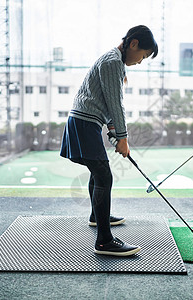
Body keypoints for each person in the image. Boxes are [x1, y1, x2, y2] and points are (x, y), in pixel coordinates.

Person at [60, 25, 158, 255]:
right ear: (133, 43)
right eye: (142, 56)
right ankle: (104, 241)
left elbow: (106, 105)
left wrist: (115, 134)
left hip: (85, 122)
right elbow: (116, 104)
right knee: (103, 174)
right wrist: (123, 138)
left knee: (99, 172)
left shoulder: (113, 61)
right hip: (84, 123)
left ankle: (97, 216)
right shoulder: (113, 62)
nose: (140, 62)